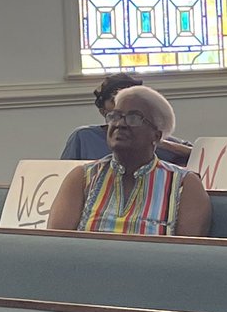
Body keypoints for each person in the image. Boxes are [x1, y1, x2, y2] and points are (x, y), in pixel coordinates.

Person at [48, 86, 211, 236]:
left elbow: (187, 254)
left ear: (156, 136)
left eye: (133, 118)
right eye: (114, 116)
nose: (120, 124)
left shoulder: (184, 184)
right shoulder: (83, 178)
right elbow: (58, 246)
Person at [61, 73, 192, 164]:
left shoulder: (153, 136)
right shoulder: (84, 137)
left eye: (132, 101)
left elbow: (200, 157)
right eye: (115, 100)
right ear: (103, 111)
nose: (124, 106)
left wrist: (160, 143)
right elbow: (62, 174)